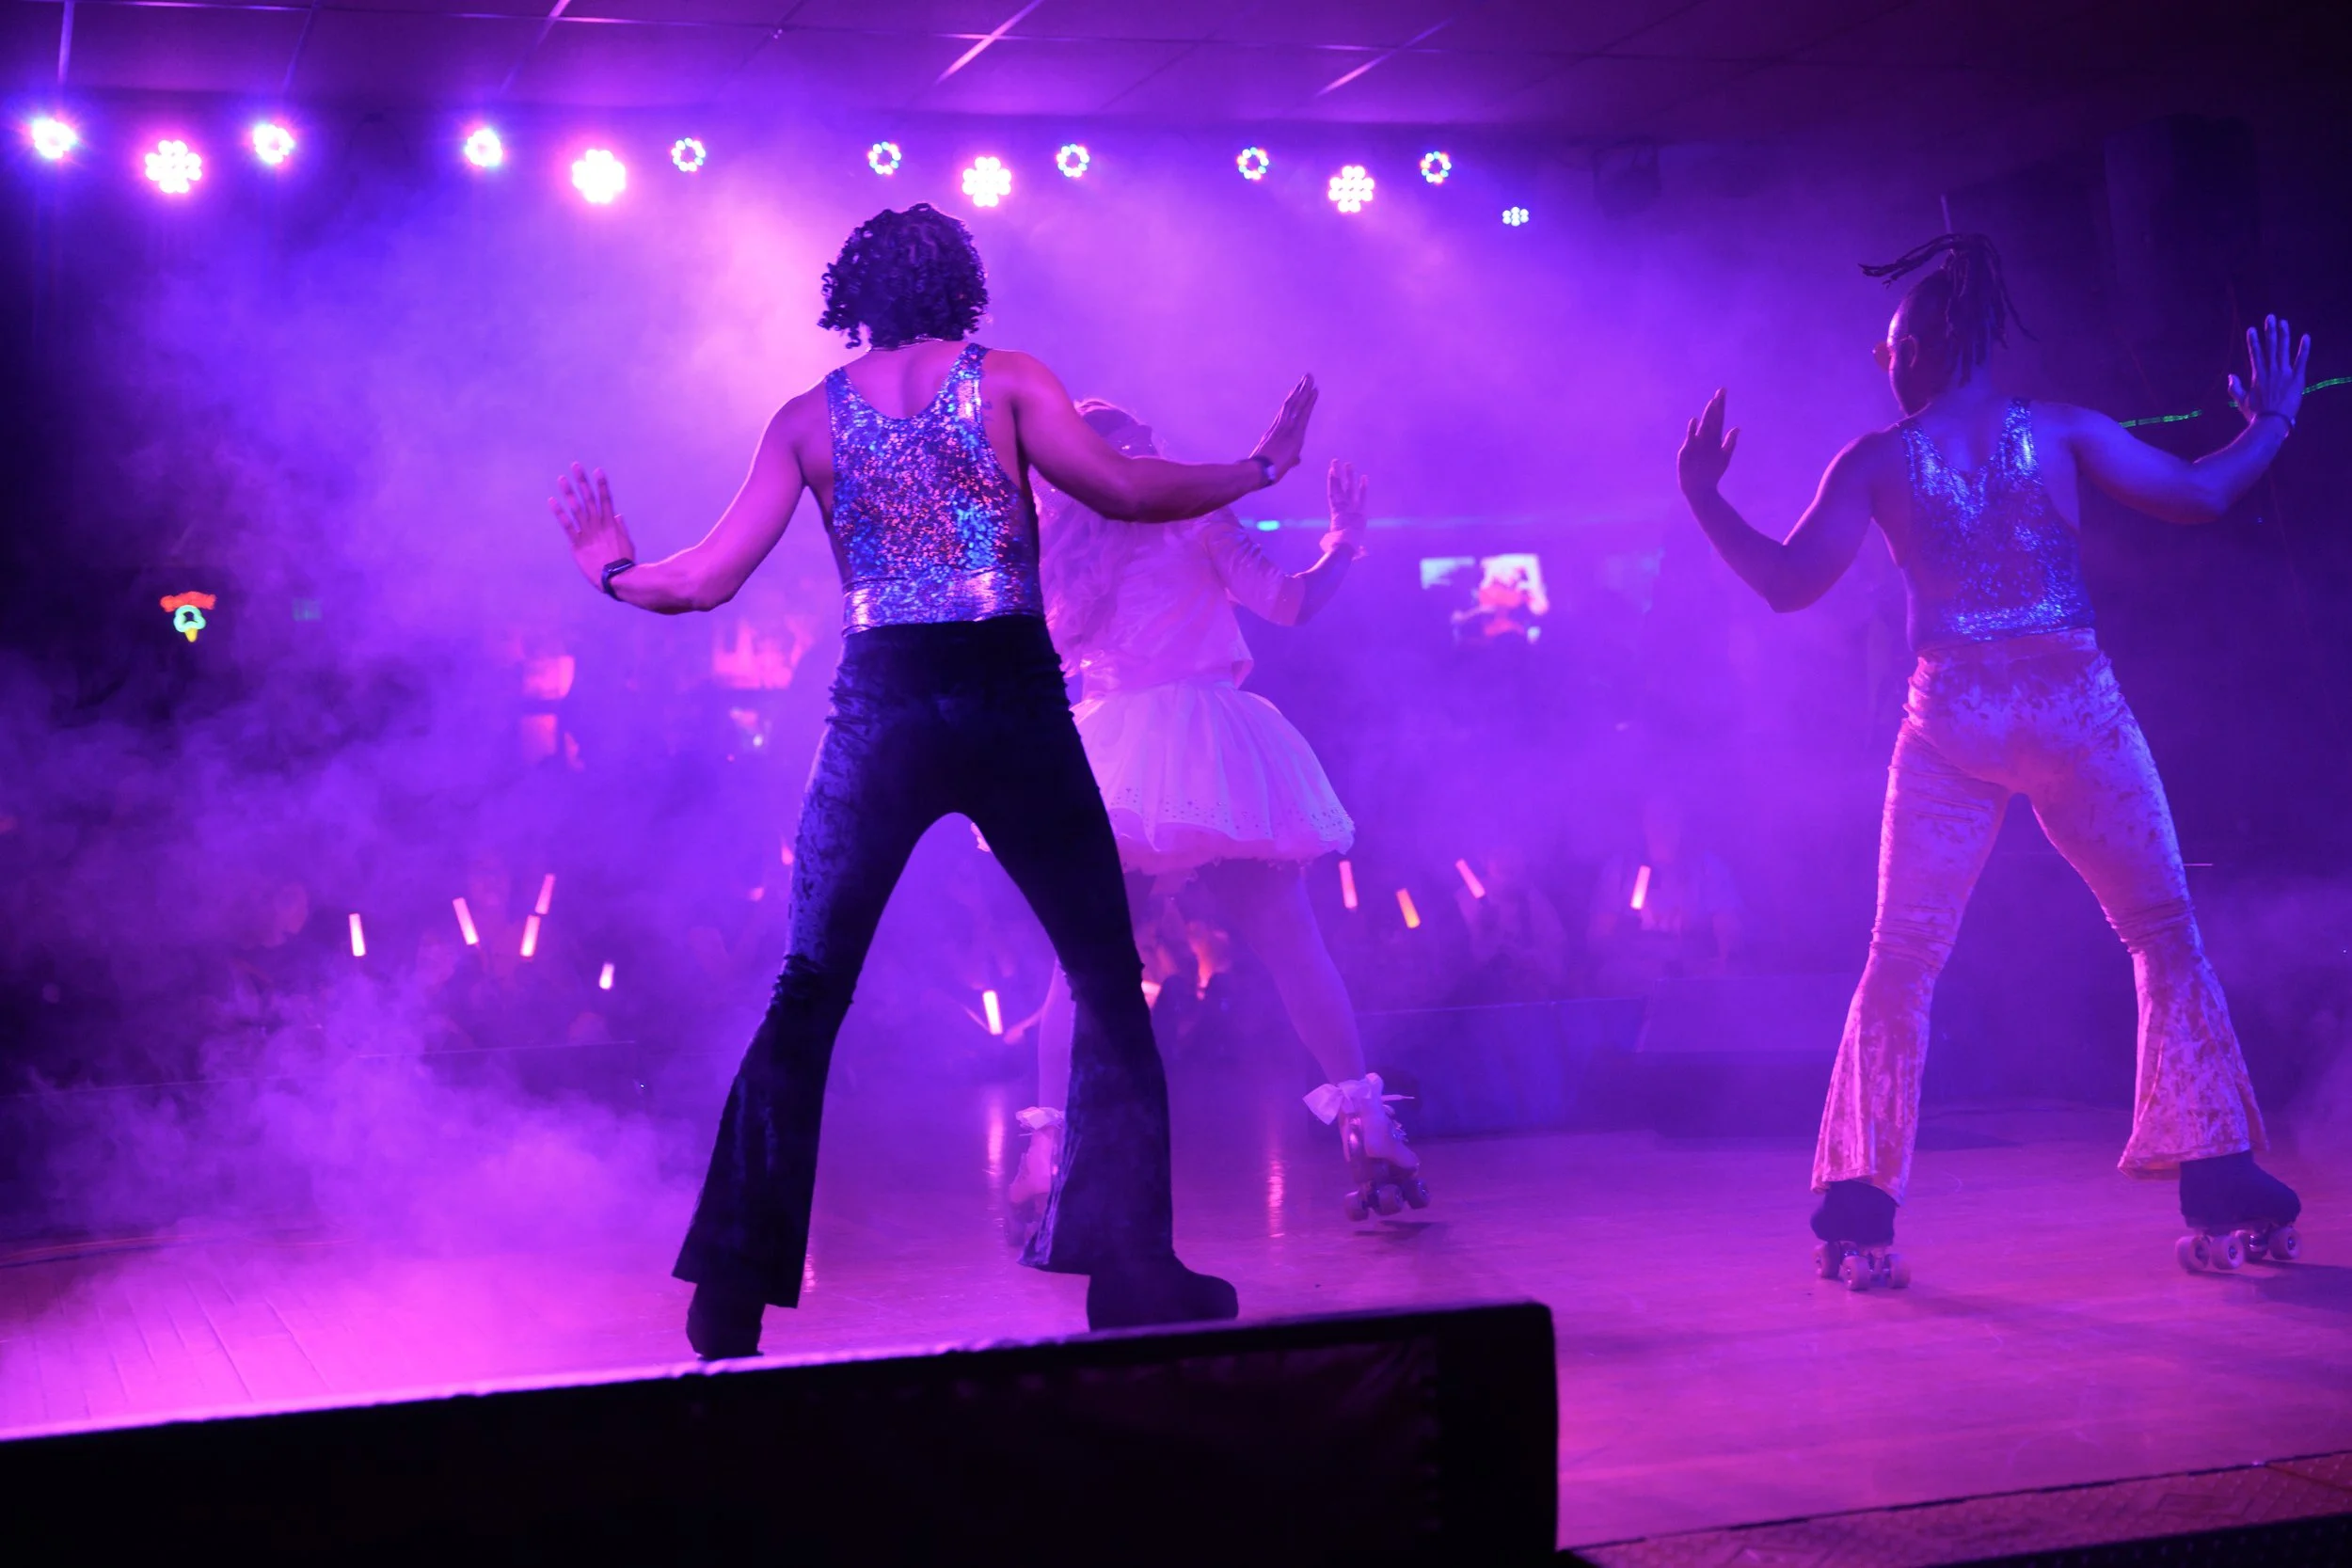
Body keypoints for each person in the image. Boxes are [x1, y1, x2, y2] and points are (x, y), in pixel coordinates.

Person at [550, 204, 1320, 1354]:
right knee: (1106, 973)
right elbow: (1120, 487)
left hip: (884, 708)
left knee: (808, 989)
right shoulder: (1007, 379)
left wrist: (610, 565)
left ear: (851, 295)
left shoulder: (808, 419)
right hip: (1007, 692)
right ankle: (1131, 1270)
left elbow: (702, 580)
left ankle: (728, 1289)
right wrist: (1260, 464)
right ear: (963, 287)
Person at [1674, 232, 2307, 1281]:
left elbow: (1788, 584)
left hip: (1955, 728)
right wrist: (2276, 419)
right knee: (2163, 934)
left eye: (1887, 349)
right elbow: (2202, 493)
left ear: (1921, 344)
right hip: (2074, 716)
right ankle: (2220, 1175)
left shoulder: (1875, 460)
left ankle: (1859, 1207)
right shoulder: (2059, 431)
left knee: (1902, 959)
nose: (1882, 366)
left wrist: (1702, 496)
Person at [1009, 402, 1424, 1231]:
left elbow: (1038, 662)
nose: (1166, 456)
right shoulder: (1196, 513)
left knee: (1082, 965)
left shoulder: (1061, 549)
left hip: (1112, 752)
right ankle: (1365, 1119)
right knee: (1289, 941)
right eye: (1152, 446)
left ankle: (1048, 1150)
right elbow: (1291, 604)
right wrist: (1345, 537)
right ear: (1135, 458)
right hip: (1208, 747)